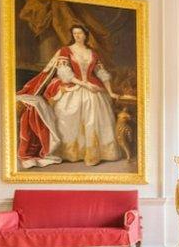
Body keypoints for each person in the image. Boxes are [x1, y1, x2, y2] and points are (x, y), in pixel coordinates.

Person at [16, 24, 121, 168]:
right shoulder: (66, 50)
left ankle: (94, 154)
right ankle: (70, 153)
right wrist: (85, 84)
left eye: (80, 33)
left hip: (94, 90)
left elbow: (102, 74)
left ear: (85, 35)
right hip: (74, 87)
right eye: (75, 33)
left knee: (95, 120)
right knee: (67, 116)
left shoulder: (93, 53)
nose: (77, 36)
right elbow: (64, 72)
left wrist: (110, 92)